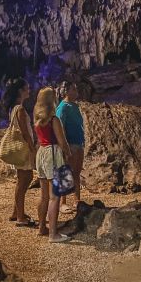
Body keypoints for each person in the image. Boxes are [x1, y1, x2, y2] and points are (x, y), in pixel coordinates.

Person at [33, 87, 72, 243]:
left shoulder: (37, 120)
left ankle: (42, 227)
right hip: (53, 154)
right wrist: (68, 154)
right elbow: (62, 142)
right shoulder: (54, 120)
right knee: (54, 197)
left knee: (43, 196)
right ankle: (53, 234)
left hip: (41, 153)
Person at [2, 78, 37, 227]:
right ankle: (20, 217)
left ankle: (16, 212)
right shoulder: (20, 109)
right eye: (27, 88)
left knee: (21, 180)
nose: (29, 90)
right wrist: (32, 148)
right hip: (23, 149)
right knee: (24, 180)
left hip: (19, 149)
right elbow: (25, 132)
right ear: (20, 91)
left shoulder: (14, 108)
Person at [56, 81, 85, 211]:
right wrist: (64, 146)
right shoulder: (63, 107)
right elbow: (59, 127)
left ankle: (77, 200)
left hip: (78, 143)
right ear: (66, 91)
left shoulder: (74, 106)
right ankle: (63, 202)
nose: (76, 91)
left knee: (77, 172)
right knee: (65, 171)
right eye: (74, 89)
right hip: (69, 144)